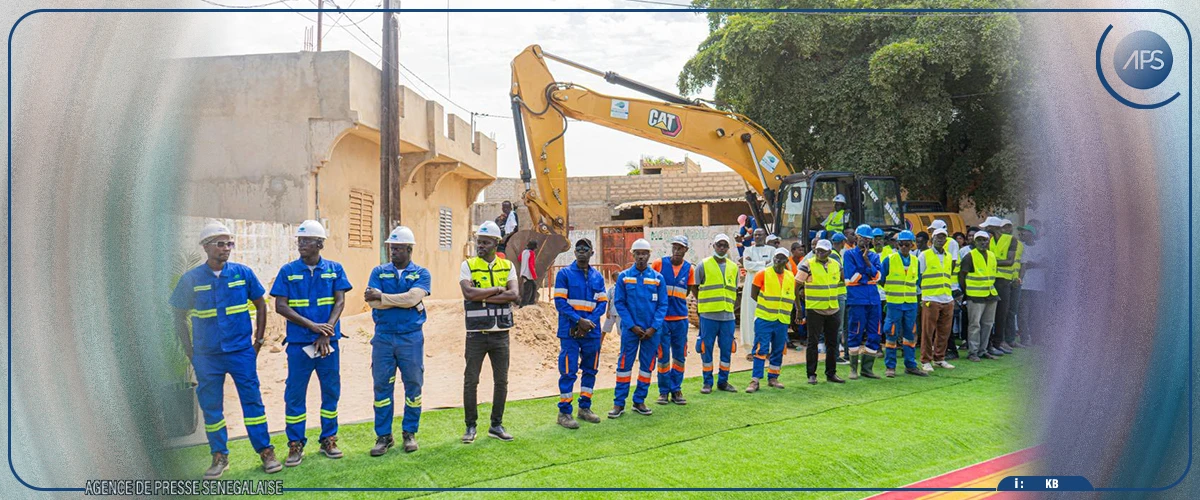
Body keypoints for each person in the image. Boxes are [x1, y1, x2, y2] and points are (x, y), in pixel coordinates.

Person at [170, 222, 280, 478]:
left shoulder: (243, 274)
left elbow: (261, 305)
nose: (226, 248)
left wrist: (258, 342)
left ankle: (266, 451)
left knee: (252, 402)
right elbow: (178, 316)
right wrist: (191, 353)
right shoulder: (191, 279)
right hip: (207, 356)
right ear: (206, 247)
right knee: (212, 407)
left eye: (230, 243)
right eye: (220, 244)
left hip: (241, 352)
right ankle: (219, 456)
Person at [270, 220, 353, 467]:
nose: (301, 244)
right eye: (299, 240)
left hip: (328, 343)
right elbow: (280, 306)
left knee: (331, 391)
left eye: (306, 241)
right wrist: (312, 326)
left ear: (320, 244)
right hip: (299, 344)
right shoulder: (288, 271)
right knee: (295, 394)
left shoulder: (335, 269)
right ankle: (295, 444)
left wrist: (326, 331)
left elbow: (340, 302)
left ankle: (329, 439)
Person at [365, 226, 431, 455]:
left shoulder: (421, 273)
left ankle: (409, 432)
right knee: (382, 386)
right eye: (391, 248)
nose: (393, 252)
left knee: (413, 384)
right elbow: (371, 302)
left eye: (398, 248)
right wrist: (400, 301)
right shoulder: (378, 272)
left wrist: (383, 297)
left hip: (411, 337)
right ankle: (384, 436)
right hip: (383, 337)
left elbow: (413, 298)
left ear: (409, 249)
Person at [459, 221, 519, 442]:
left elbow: (514, 295)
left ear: (496, 243)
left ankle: (496, 425)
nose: (480, 246)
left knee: (501, 381)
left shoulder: (507, 266)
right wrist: (496, 290)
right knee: (471, 381)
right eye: (479, 242)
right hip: (476, 334)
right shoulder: (468, 265)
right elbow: (468, 294)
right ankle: (470, 426)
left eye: (485, 242)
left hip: (501, 333)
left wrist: (482, 295)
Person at [552, 237, 609, 429]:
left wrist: (589, 323)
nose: (582, 251)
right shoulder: (564, 274)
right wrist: (579, 321)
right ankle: (564, 412)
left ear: (592, 252)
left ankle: (585, 408)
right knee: (568, 371)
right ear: (575, 252)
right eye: (579, 248)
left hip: (591, 332)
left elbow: (602, 303)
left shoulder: (598, 277)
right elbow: (560, 303)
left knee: (590, 370)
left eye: (586, 248)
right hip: (570, 332)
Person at [610, 239, 668, 417]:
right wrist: (632, 326)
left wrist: (653, 327)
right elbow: (619, 303)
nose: (641, 256)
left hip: (652, 332)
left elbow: (663, 305)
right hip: (631, 331)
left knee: (646, 366)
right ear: (633, 255)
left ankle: (639, 401)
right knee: (624, 366)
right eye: (638, 253)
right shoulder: (624, 277)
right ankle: (619, 403)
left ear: (649, 255)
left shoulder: (658, 278)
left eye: (644, 253)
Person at [744, 248, 797, 392]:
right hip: (764, 318)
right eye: (776, 258)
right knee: (761, 348)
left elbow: (792, 296)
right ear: (773, 259)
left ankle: (773, 377)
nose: (778, 260)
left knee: (778, 349)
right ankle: (755, 380)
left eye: (782, 258)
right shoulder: (762, 274)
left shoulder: (790, 276)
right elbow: (754, 294)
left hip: (782, 319)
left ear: (786, 261)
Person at [651, 235, 696, 405]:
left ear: (686, 250)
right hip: (662, 320)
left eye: (680, 248)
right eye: (674, 247)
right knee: (663, 356)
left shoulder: (689, 269)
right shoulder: (658, 264)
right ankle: (663, 391)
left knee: (679, 356)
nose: (677, 251)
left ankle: (676, 389)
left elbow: (686, 292)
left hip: (680, 319)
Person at [796, 240, 846, 385]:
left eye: (822, 251)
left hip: (833, 308)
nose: (819, 253)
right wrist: (799, 308)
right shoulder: (808, 264)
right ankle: (811, 374)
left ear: (829, 252)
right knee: (813, 342)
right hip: (815, 308)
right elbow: (796, 286)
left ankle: (831, 373)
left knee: (833, 343)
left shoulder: (836, 265)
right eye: (817, 250)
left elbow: (842, 281)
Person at [696, 234, 741, 393]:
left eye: (724, 245)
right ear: (713, 246)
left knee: (727, 349)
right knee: (705, 349)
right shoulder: (703, 265)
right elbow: (695, 286)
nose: (722, 248)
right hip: (708, 315)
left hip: (728, 316)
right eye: (719, 245)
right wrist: (702, 305)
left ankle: (723, 381)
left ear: (728, 248)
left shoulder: (734, 267)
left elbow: (734, 288)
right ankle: (707, 382)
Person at [880, 231, 927, 378]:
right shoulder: (889, 259)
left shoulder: (915, 261)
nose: (904, 247)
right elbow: (881, 279)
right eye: (901, 244)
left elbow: (917, 281)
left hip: (910, 303)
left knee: (910, 335)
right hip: (894, 303)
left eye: (907, 244)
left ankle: (910, 365)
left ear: (912, 245)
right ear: (897, 245)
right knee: (891, 334)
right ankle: (890, 366)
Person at [844, 224, 883, 380]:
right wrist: (868, 275)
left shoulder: (873, 256)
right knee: (855, 332)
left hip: (873, 300)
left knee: (875, 333)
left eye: (868, 239)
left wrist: (866, 261)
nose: (865, 241)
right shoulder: (849, 254)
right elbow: (851, 277)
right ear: (856, 237)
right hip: (857, 300)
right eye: (862, 238)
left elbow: (878, 277)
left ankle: (867, 369)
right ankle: (853, 369)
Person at [918, 227, 956, 372]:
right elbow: (919, 276)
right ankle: (926, 360)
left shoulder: (948, 256)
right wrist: (924, 295)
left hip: (946, 297)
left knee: (944, 331)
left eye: (943, 237)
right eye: (938, 237)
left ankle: (939, 358)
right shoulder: (924, 255)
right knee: (928, 332)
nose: (940, 239)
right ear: (932, 239)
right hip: (930, 298)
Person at [960, 230, 999, 362]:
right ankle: (973, 352)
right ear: (975, 242)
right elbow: (962, 275)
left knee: (988, 324)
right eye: (979, 240)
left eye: (985, 240)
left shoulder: (992, 255)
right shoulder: (969, 256)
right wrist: (966, 293)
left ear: (988, 241)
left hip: (990, 294)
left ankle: (983, 350)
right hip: (975, 295)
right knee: (975, 325)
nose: (982, 242)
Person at [983, 217, 1017, 356]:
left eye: (988, 226)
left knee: (1002, 312)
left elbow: (1010, 261)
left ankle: (999, 341)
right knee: (989, 313)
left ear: (994, 227)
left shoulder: (1011, 240)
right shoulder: (987, 240)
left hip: (1003, 281)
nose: (985, 229)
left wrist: (991, 262)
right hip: (989, 280)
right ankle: (990, 342)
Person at [740, 228, 772, 356]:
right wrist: (764, 263)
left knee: (767, 316)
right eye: (756, 235)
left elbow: (772, 265)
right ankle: (750, 349)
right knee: (749, 316)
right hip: (750, 286)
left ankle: (767, 349)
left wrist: (755, 263)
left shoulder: (772, 250)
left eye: (760, 235)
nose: (758, 237)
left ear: (765, 236)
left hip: (768, 286)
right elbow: (747, 266)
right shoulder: (748, 250)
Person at [1016, 224, 1042, 345]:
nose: (1022, 234)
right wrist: (1034, 264)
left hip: (1038, 286)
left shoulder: (1041, 247)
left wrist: (1029, 264)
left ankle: (1036, 338)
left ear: (1031, 233)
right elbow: (1021, 264)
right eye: (1021, 232)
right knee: (1023, 313)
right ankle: (1024, 338)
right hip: (1024, 285)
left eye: (1025, 231)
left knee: (1036, 313)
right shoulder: (1020, 247)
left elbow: (1046, 263)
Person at [518, 240, 539, 307]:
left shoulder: (524, 252)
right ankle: (523, 304)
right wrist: (534, 275)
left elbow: (519, 258)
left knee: (533, 286)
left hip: (523, 272)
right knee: (528, 290)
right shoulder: (531, 253)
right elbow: (531, 265)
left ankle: (531, 302)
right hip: (528, 273)